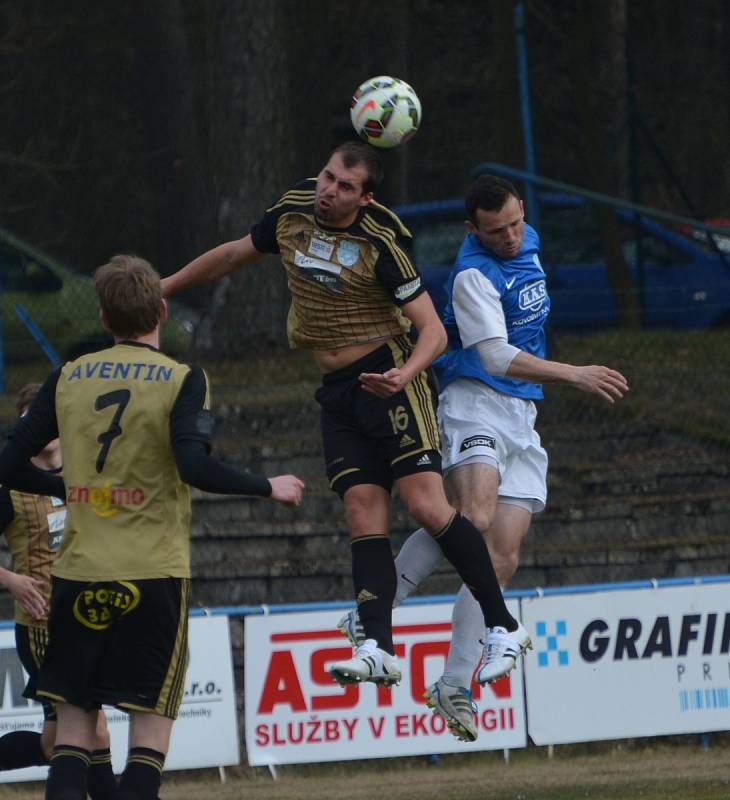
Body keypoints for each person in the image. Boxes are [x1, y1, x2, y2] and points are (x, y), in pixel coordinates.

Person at [161, 141, 530, 689]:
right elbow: (234, 253)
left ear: (366, 197)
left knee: (426, 506)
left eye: (345, 187)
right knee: (361, 513)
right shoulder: (291, 212)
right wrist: (162, 288)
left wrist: (405, 377)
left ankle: (502, 625)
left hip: (390, 377)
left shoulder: (381, 241)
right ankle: (379, 646)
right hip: (337, 391)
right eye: (327, 177)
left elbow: (432, 330)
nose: (329, 191)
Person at [0, 255, 304, 800]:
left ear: (101, 316)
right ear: (162, 309)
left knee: (70, 737)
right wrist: (266, 485)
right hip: (152, 578)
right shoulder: (183, 379)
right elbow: (194, 466)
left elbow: (9, 464)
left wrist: (67, 488)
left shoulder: (67, 376)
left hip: (77, 576)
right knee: (146, 741)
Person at [341, 174, 629, 741]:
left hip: (522, 417)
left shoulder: (529, 239)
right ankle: (374, 609)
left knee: (502, 554)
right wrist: (575, 373)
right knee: (471, 517)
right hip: (474, 403)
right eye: (497, 231)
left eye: (517, 222)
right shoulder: (474, 273)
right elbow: (495, 356)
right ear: (473, 229)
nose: (512, 237)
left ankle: (452, 683)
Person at [0, 384, 115, 799]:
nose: (44, 428)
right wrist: (11, 580)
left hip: (91, 619)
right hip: (43, 626)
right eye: (34, 419)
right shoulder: (9, 488)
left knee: (58, 744)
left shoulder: (88, 473)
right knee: (94, 730)